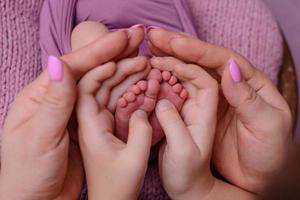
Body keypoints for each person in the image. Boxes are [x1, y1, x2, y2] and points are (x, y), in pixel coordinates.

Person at [0, 27, 292, 199]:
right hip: (133, 52)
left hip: (137, 54)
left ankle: (125, 114)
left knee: (159, 53)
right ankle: (129, 111)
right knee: (89, 35)